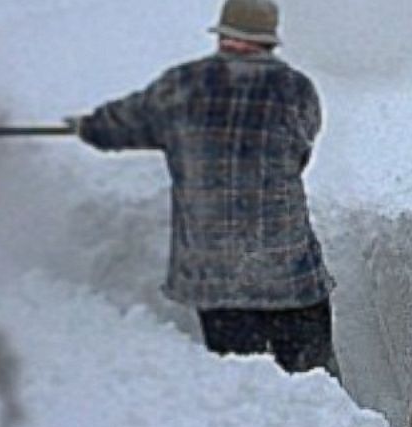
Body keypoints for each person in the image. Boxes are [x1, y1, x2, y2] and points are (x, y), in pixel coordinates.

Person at [67, 0, 335, 374]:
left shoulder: (181, 86)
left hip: (216, 281)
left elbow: (115, 127)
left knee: (246, 390)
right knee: (316, 385)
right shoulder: (296, 89)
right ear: (269, 40)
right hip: (289, 272)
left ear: (224, 35)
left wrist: (85, 126)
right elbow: (299, 152)